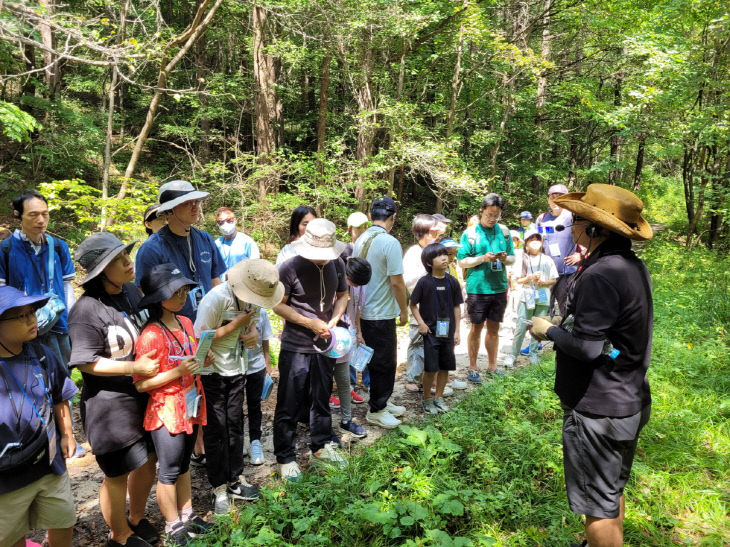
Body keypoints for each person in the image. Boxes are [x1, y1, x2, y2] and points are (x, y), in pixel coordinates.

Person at [529, 183, 653, 547]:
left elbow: (586, 348)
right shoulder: (628, 266)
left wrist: (548, 330)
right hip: (624, 399)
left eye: (577, 221)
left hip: (600, 411)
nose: (572, 227)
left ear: (595, 228)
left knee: (597, 505)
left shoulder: (601, 274)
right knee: (609, 490)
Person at [68, 232, 161, 547]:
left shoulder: (132, 292)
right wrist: (133, 367)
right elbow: (85, 363)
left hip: (144, 396)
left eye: (126, 254)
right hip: (110, 408)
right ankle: (119, 536)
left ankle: (136, 518)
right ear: (101, 270)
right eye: (118, 259)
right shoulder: (86, 310)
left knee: (148, 459)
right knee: (117, 473)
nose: (128, 262)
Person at [194, 259, 282, 512]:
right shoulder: (216, 299)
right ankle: (218, 487)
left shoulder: (253, 300)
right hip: (212, 371)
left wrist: (252, 333)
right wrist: (235, 325)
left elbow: (252, 326)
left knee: (235, 423)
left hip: (237, 369)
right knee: (215, 428)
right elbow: (201, 338)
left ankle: (235, 479)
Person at [133, 265, 213, 545]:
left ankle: (187, 514)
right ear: (158, 297)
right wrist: (177, 373)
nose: (182, 297)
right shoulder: (151, 334)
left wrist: (203, 361)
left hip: (190, 404)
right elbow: (141, 384)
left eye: (184, 291)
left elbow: (190, 361)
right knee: (167, 470)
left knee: (184, 466)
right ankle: (172, 524)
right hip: (166, 410)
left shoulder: (186, 324)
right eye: (175, 292)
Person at [0, 286, 77, 547]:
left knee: (63, 520)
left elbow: (59, 396)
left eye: (32, 312)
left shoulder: (43, 356)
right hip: (6, 479)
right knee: (11, 535)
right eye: (20, 316)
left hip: (49, 465)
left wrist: (67, 434)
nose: (32, 319)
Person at [273, 219, 349, 481]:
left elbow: (343, 296)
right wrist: (308, 322)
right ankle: (285, 457)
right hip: (296, 345)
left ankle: (321, 445)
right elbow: (278, 305)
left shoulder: (337, 263)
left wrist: (334, 319)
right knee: (289, 401)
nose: (321, 260)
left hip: (325, 344)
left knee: (322, 396)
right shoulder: (290, 267)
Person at [0, 190, 76, 379]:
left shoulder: (59, 247)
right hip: (22, 328)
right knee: (30, 377)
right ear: (19, 216)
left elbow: (67, 287)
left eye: (45, 214)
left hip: (58, 323)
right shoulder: (6, 250)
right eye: (33, 214)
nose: (41, 220)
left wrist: (71, 319)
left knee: (62, 376)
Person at [135, 180, 226, 322]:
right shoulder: (152, 249)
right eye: (187, 203)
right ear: (169, 210)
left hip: (210, 325)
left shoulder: (205, 239)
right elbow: (143, 293)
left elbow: (215, 281)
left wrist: (223, 318)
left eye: (196, 202)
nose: (195, 208)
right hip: (176, 332)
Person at [352, 197, 408, 429]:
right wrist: (404, 311)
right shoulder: (390, 242)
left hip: (364, 309)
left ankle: (382, 401)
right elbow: (396, 282)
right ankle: (377, 409)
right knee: (384, 362)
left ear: (371, 214)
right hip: (381, 312)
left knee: (376, 362)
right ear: (393, 217)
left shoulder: (361, 238)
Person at [457, 193, 515, 382]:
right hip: (477, 289)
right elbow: (462, 261)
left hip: (499, 287)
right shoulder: (470, 233)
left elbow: (513, 259)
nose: (492, 219)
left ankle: (492, 366)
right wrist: (483, 258)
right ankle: (473, 367)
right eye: (489, 214)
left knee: (494, 329)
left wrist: (504, 258)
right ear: (481, 211)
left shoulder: (504, 231)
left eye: (496, 215)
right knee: (476, 328)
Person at [409, 244, 463, 415]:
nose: (444, 258)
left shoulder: (452, 281)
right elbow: (412, 304)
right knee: (431, 367)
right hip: (431, 333)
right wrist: (421, 324)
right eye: (439, 256)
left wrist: (457, 331)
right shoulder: (424, 282)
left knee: (445, 365)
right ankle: (427, 399)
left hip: (448, 331)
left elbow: (456, 307)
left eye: (445, 254)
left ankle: (439, 397)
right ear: (429, 262)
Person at [503, 231, 557, 368]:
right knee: (521, 326)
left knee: (538, 327)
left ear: (541, 242)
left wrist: (543, 282)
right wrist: (530, 278)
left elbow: (554, 279)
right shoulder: (521, 259)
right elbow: (517, 280)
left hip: (543, 297)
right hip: (526, 297)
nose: (534, 242)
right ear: (526, 243)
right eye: (531, 239)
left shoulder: (547, 259)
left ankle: (533, 353)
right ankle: (513, 354)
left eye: (537, 239)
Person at [331, 257, 371, 439]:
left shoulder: (358, 285)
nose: (354, 285)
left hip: (347, 337)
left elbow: (356, 309)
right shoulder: (332, 281)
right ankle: (319, 422)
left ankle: (346, 420)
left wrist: (359, 333)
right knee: (322, 381)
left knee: (345, 379)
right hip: (329, 336)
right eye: (352, 281)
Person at [402, 214, 438, 393]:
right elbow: (408, 281)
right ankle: (413, 378)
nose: (436, 235)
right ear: (423, 232)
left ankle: (429, 379)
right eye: (432, 232)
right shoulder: (413, 253)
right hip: (420, 306)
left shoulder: (435, 250)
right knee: (417, 341)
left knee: (434, 342)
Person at [535, 184, 582, 317]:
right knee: (543, 310)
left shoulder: (574, 217)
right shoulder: (542, 219)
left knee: (567, 309)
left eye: (560, 197)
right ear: (548, 199)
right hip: (545, 274)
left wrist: (581, 255)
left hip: (566, 273)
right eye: (552, 197)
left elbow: (589, 239)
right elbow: (535, 241)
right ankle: (543, 336)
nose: (555, 200)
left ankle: (566, 336)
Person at [244, 307, 273, 465]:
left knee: (254, 405)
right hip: (235, 367)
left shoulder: (261, 312)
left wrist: (267, 363)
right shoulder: (230, 309)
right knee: (234, 407)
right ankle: (239, 440)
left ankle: (255, 441)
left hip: (256, 366)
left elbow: (265, 340)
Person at [214, 207, 261, 272]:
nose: (225, 224)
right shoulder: (216, 244)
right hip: (221, 281)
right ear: (217, 224)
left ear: (235, 221)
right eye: (221, 222)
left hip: (241, 281)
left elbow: (256, 265)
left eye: (229, 220)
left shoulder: (247, 241)